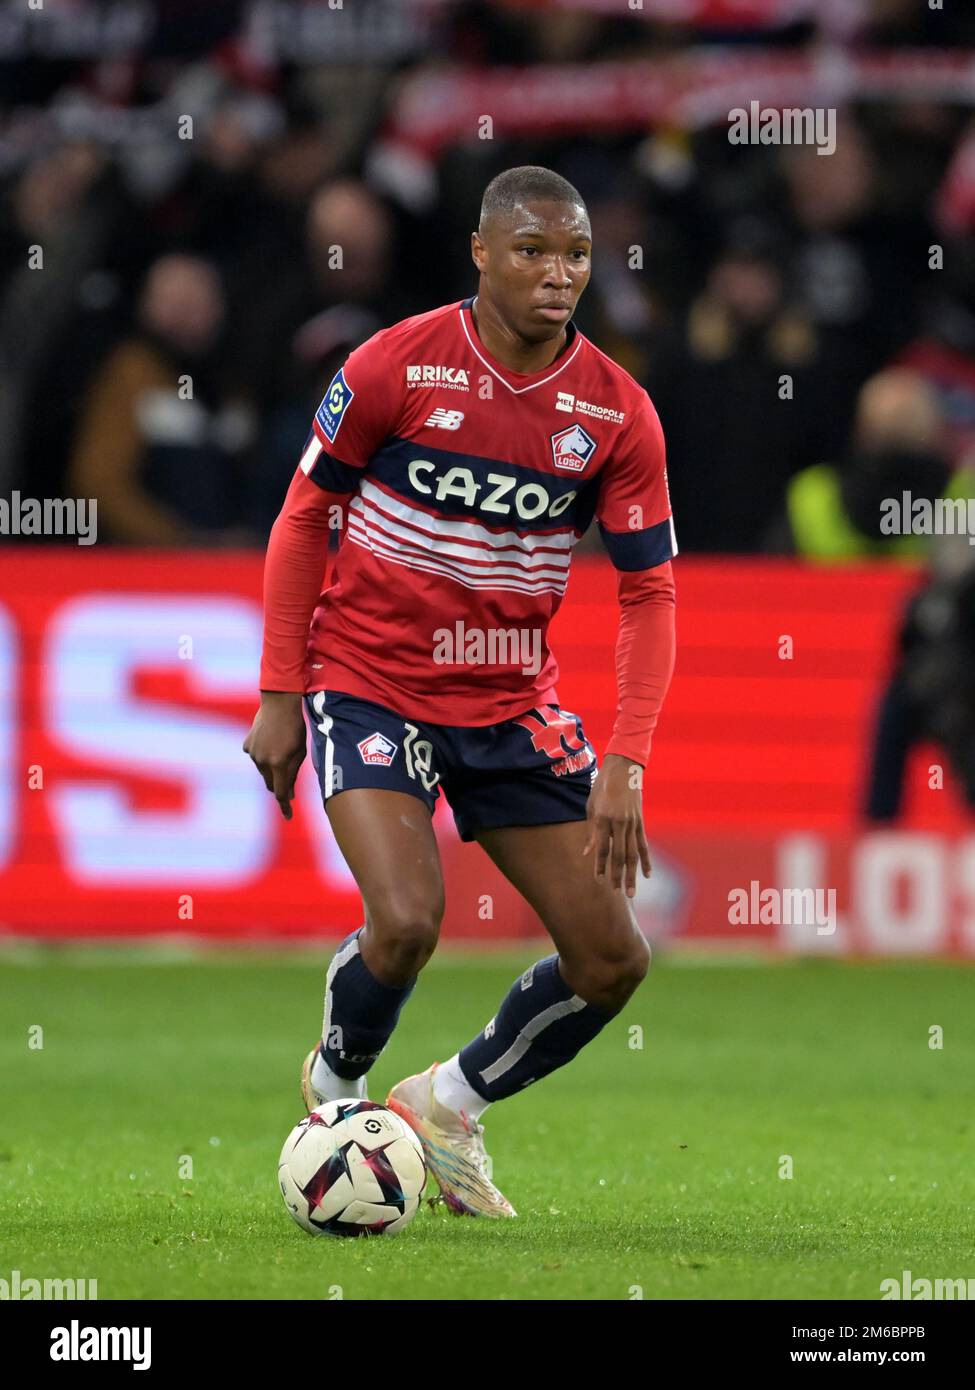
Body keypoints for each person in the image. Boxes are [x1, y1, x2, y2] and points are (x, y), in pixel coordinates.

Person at [244, 166, 677, 1220]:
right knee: (405, 923)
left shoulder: (617, 414)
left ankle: (447, 1102)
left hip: (509, 702)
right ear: (481, 253)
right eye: (532, 251)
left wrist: (626, 757)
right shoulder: (393, 364)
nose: (558, 275)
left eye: (575, 255)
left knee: (614, 957)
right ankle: (338, 1092)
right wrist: (279, 690)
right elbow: (305, 518)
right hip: (370, 678)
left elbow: (649, 590)